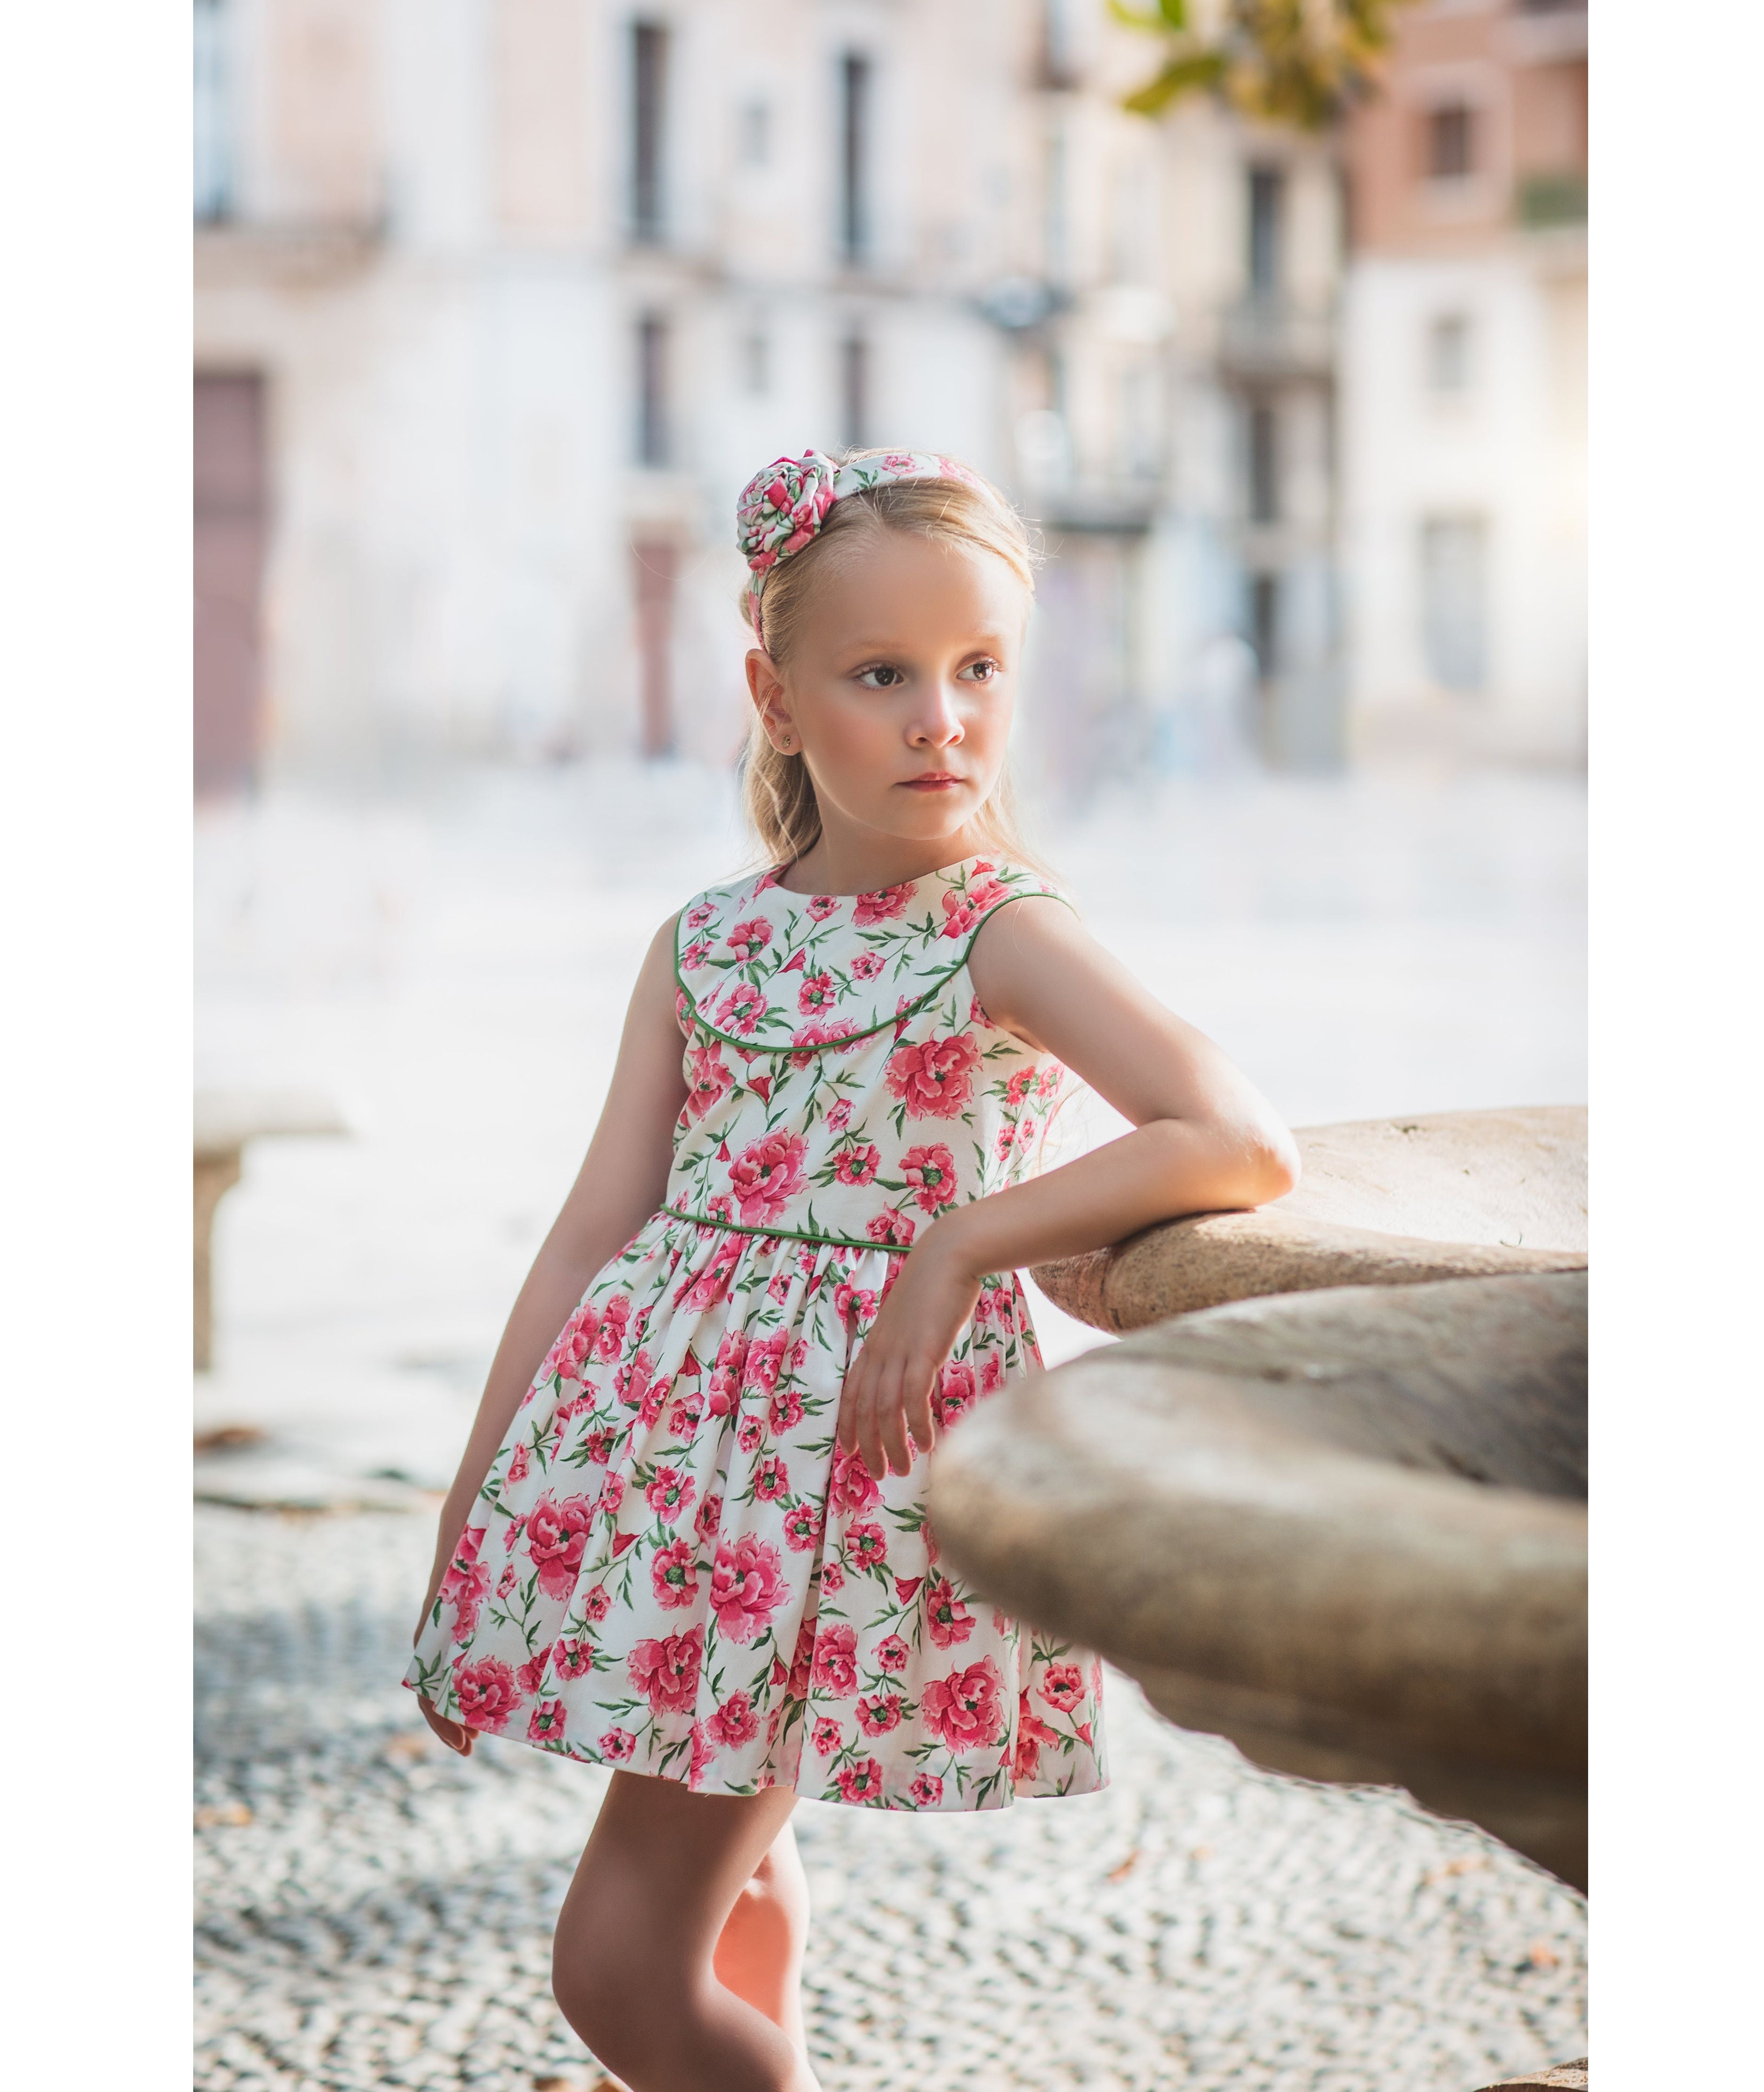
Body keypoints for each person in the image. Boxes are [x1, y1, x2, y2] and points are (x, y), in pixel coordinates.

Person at [406, 447, 1300, 2091]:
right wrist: (476, 1502)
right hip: (669, 1490)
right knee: (739, 1883)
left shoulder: (998, 930)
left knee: (615, 1965)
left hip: (819, 1506)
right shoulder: (705, 944)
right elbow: (593, 1234)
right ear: (774, 689)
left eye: (977, 673)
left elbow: (1234, 1135)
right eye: (882, 674)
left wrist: (965, 1239)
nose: (938, 720)